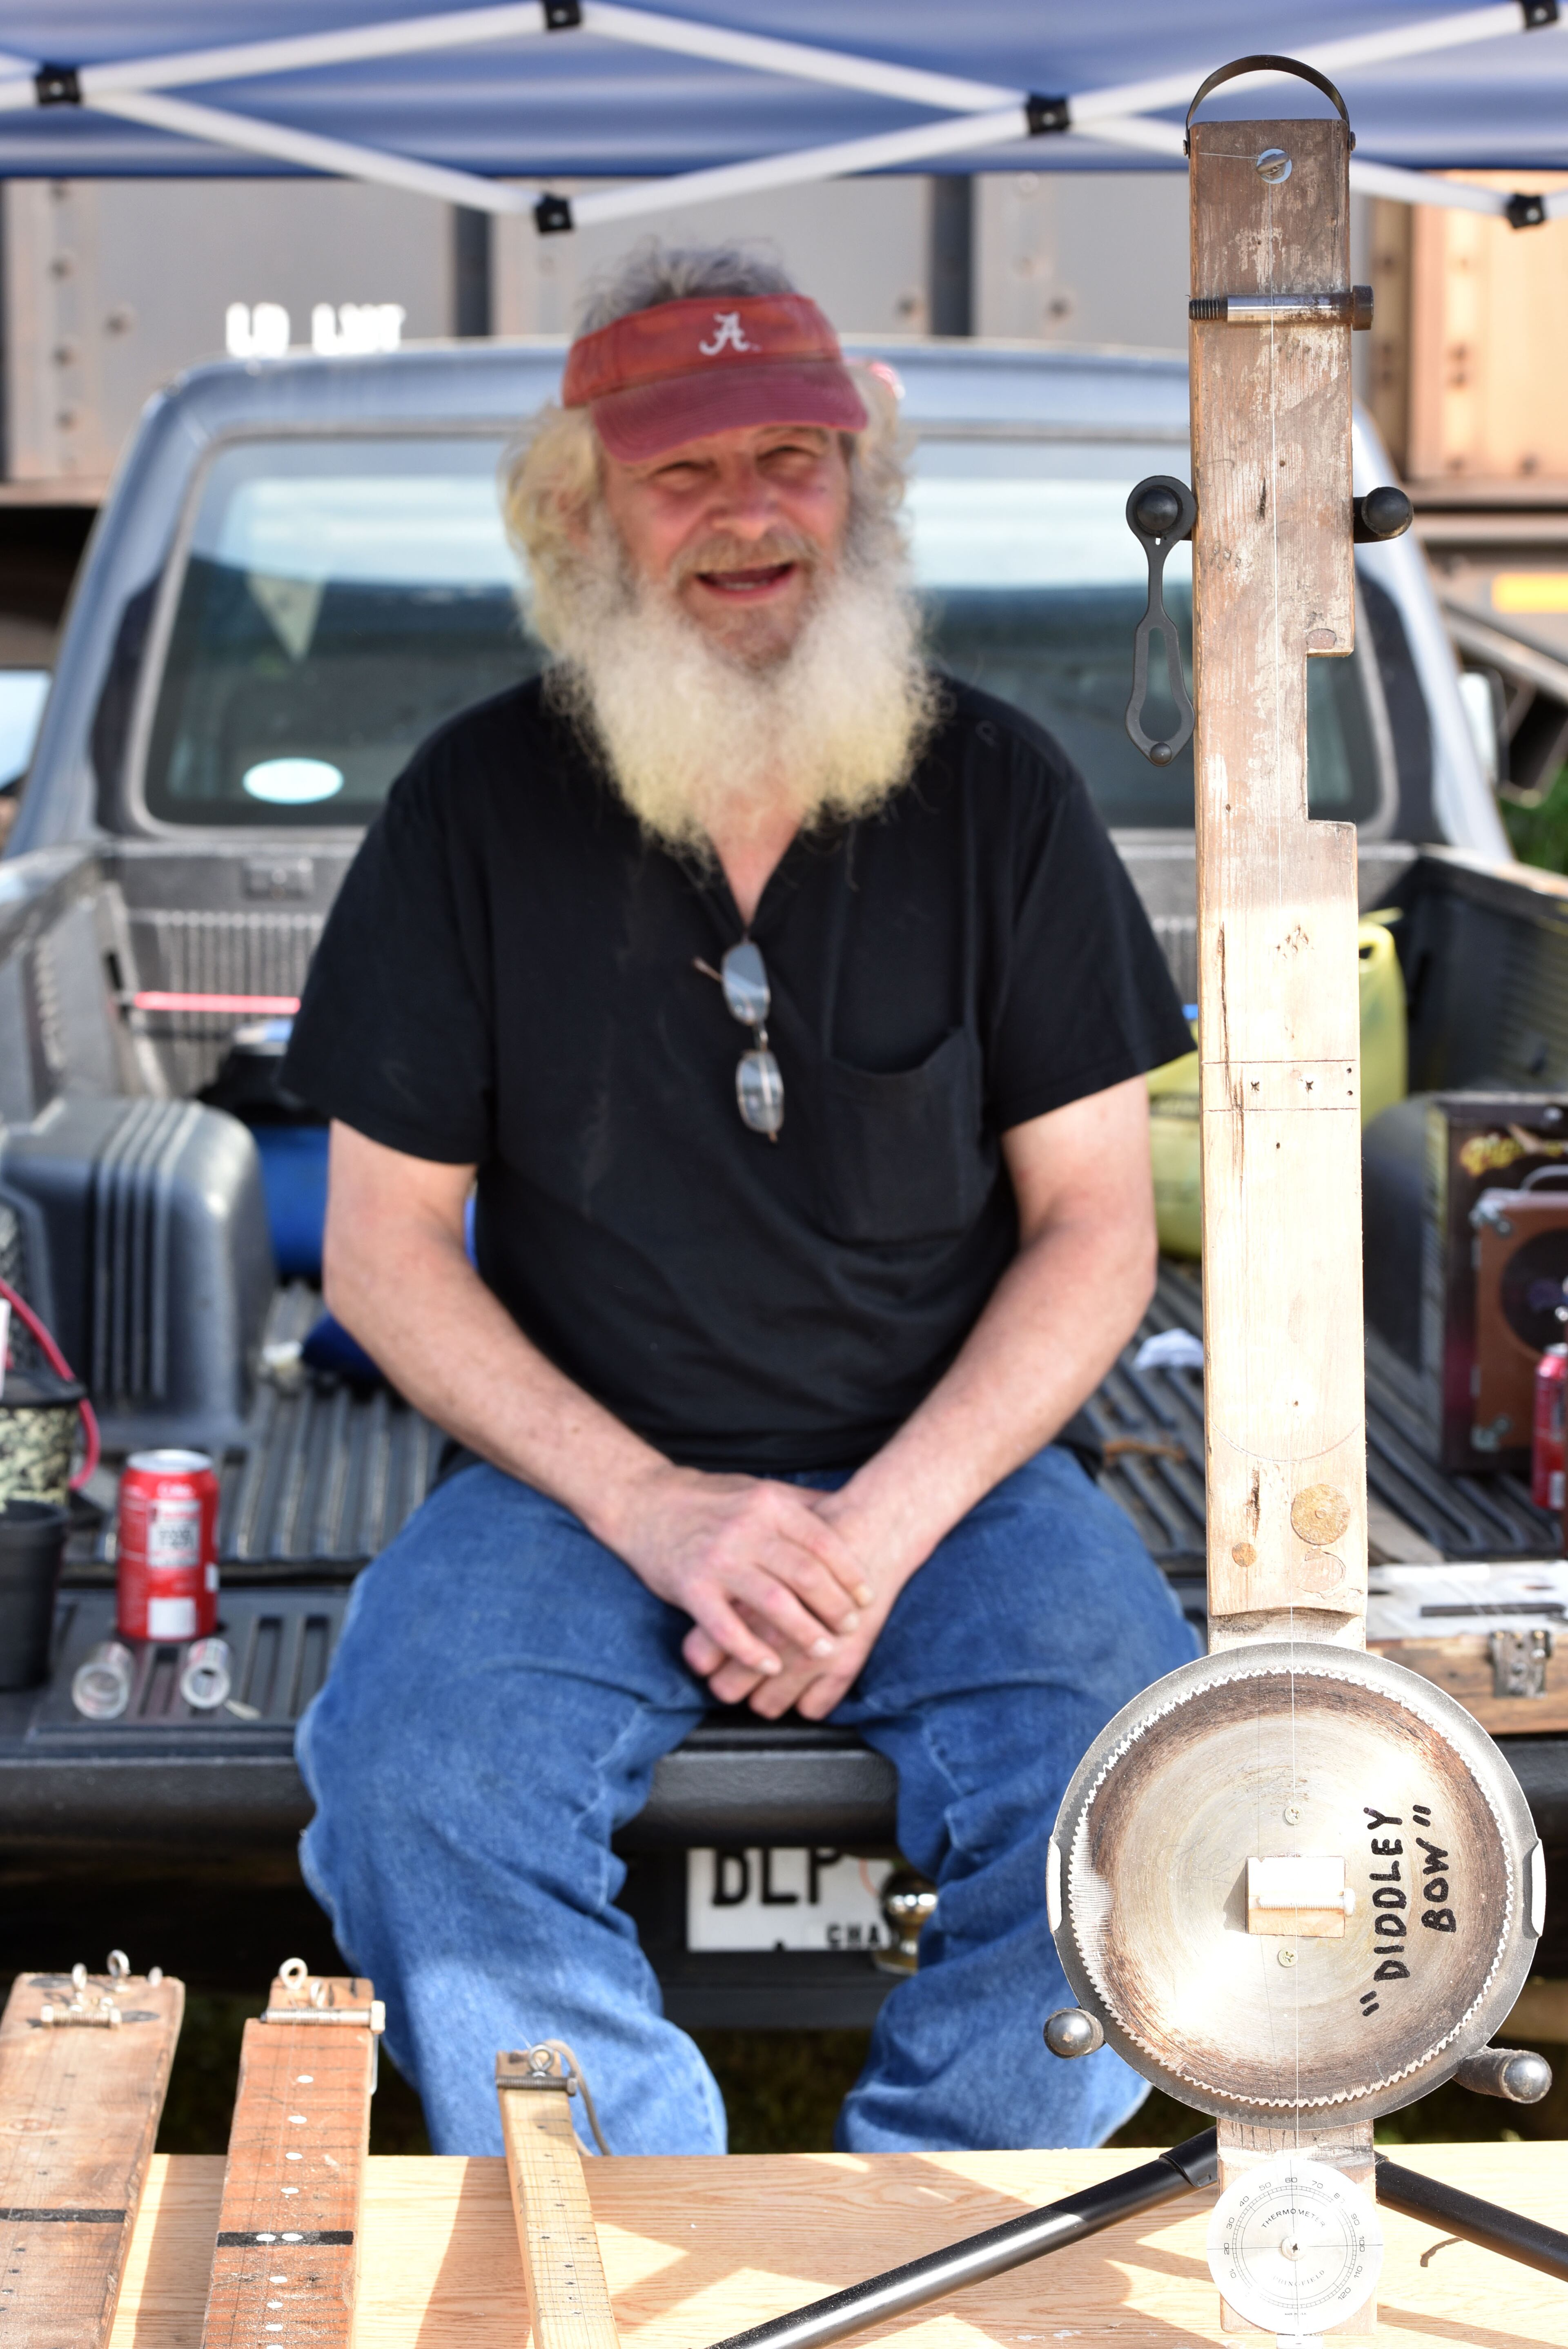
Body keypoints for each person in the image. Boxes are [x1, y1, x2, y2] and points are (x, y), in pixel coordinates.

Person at [285, 240, 1197, 2160]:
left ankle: (929, 2238)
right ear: (582, 517)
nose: (750, 513)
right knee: (407, 1778)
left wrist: (874, 1528)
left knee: (1144, 1787)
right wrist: (658, 1502)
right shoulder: (468, 808)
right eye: (685, 473)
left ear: (860, 487)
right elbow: (380, 1250)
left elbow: (1099, 1227)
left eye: (794, 456)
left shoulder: (1004, 796)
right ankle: (635, 2245)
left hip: (950, 1476)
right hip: (579, 1480)